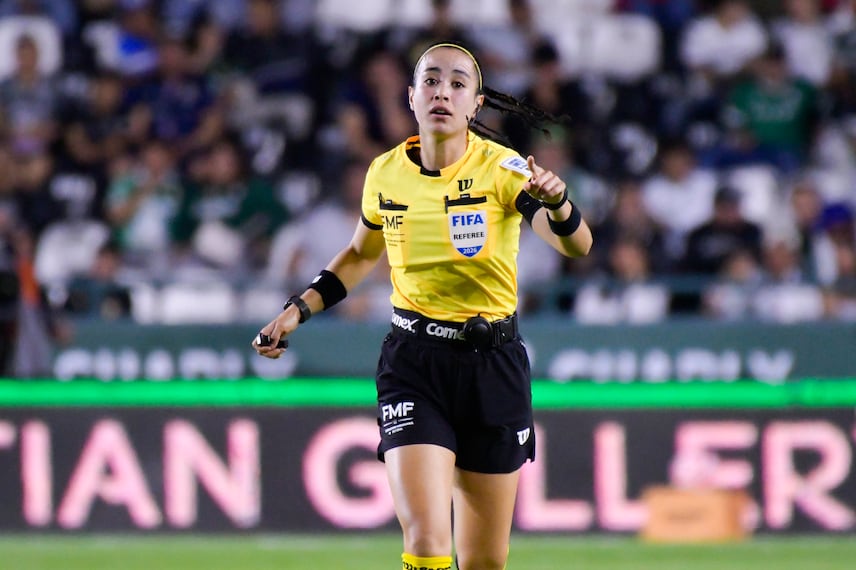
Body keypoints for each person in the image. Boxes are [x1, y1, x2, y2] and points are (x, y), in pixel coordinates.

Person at [254, 42, 592, 570]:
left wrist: (559, 203)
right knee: (429, 543)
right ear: (411, 97)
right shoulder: (385, 173)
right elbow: (359, 255)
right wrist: (297, 309)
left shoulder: (503, 169)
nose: (443, 92)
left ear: (475, 105)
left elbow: (577, 245)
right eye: (431, 80)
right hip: (415, 364)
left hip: (493, 365)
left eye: (458, 84)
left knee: (483, 561)